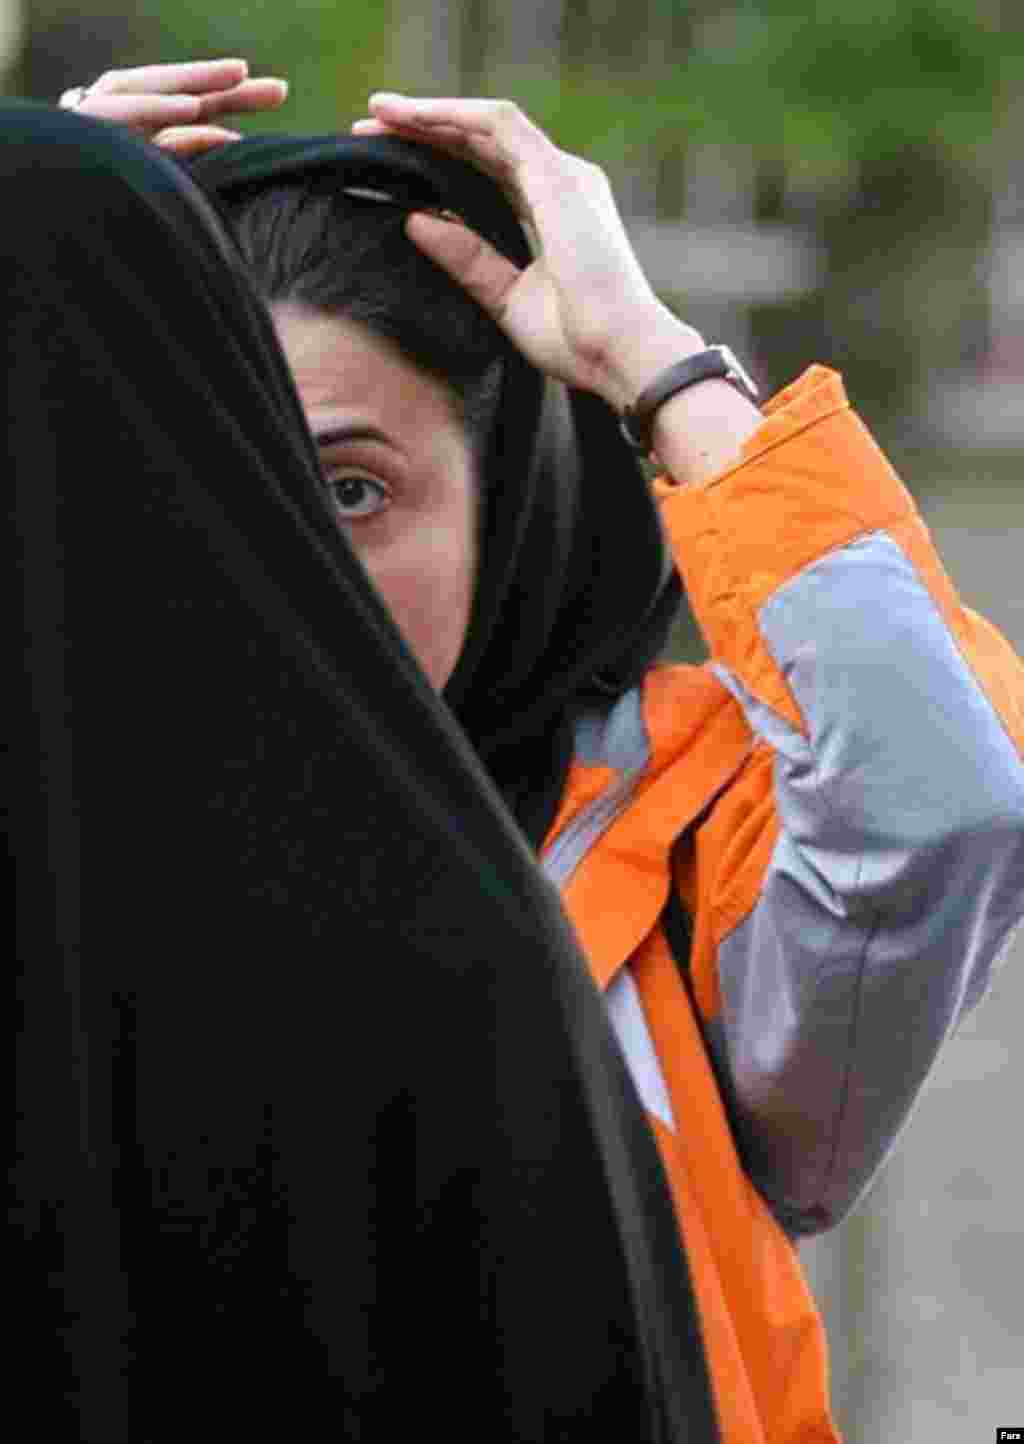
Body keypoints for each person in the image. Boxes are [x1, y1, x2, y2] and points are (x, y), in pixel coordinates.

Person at [52, 61, 1024, 1443]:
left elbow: (937, 799)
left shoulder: (677, 863)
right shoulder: (57, 825)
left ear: (508, 507)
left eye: (349, 488)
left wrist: (652, 358)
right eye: (228, 479)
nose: (280, 561)